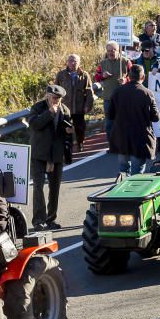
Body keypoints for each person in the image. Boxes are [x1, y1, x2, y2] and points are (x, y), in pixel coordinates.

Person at [28, 84, 73, 230]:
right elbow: (34, 125)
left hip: (56, 154)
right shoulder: (38, 108)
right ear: (47, 96)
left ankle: (51, 219)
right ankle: (38, 220)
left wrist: (68, 130)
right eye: (54, 98)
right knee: (38, 187)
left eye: (59, 98)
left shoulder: (65, 110)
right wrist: (49, 113)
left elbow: (68, 129)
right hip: (39, 154)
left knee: (55, 188)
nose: (56, 101)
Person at [108, 65, 160, 176]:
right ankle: (134, 192)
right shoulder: (147, 93)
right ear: (143, 77)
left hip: (121, 136)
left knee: (123, 170)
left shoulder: (117, 91)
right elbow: (156, 117)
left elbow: (110, 115)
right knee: (137, 172)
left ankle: (123, 192)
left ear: (128, 76)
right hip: (140, 136)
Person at [55, 54, 95, 152]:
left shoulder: (84, 75)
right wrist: (55, 105)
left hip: (79, 107)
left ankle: (80, 143)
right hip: (65, 107)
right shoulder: (61, 75)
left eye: (75, 61)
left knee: (80, 128)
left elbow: (89, 91)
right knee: (65, 128)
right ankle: (66, 146)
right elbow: (55, 90)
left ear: (79, 63)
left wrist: (87, 105)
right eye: (70, 61)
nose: (72, 63)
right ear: (67, 62)